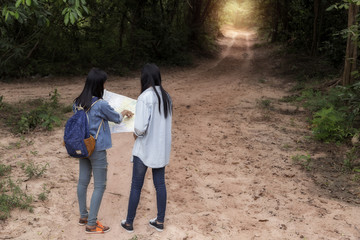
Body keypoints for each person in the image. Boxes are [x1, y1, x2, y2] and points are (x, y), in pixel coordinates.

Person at [75, 68, 133, 234]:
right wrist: (123, 112)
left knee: (83, 181)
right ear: (99, 85)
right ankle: (92, 224)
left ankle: (83, 216)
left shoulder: (77, 102)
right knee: (100, 185)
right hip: (97, 148)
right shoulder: (100, 104)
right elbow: (117, 118)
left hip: (82, 147)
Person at [121, 63, 172, 233]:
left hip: (144, 148)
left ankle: (129, 223)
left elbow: (140, 128)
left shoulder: (145, 97)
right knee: (160, 184)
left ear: (144, 78)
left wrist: (135, 133)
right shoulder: (166, 96)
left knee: (136, 185)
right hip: (160, 148)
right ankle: (160, 221)